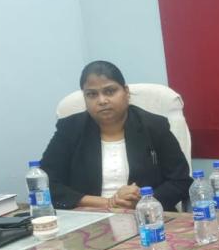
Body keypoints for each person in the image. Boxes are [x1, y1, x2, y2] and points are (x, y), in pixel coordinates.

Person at [41, 61, 191, 212]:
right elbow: (46, 183)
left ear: (126, 92)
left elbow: (180, 181)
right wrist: (107, 203)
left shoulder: (154, 126)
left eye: (110, 91)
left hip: (147, 216)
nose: (102, 101)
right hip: (88, 215)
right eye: (92, 94)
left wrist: (143, 201)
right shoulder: (70, 129)